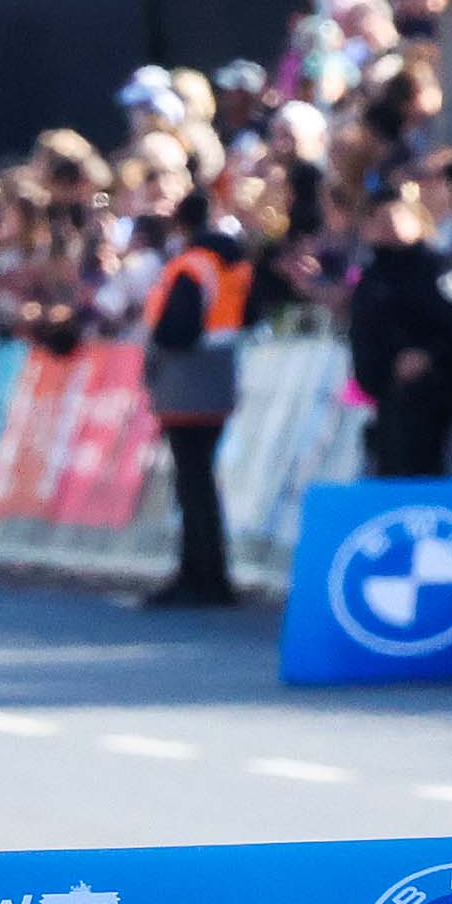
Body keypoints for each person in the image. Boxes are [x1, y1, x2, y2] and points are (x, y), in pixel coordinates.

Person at [140, 188, 252, 608]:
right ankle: (210, 572)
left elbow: (176, 329)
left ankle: (199, 573)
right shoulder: (233, 266)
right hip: (218, 380)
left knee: (192, 485)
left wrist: (157, 340)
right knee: (201, 481)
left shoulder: (190, 266)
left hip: (185, 385)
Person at [351, 178, 452, 480]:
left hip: (434, 396)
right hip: (389, 399)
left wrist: (429, 354)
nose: (387, 225)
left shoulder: (437, 267)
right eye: (378, 218)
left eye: (394, 216)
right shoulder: (372, 278)